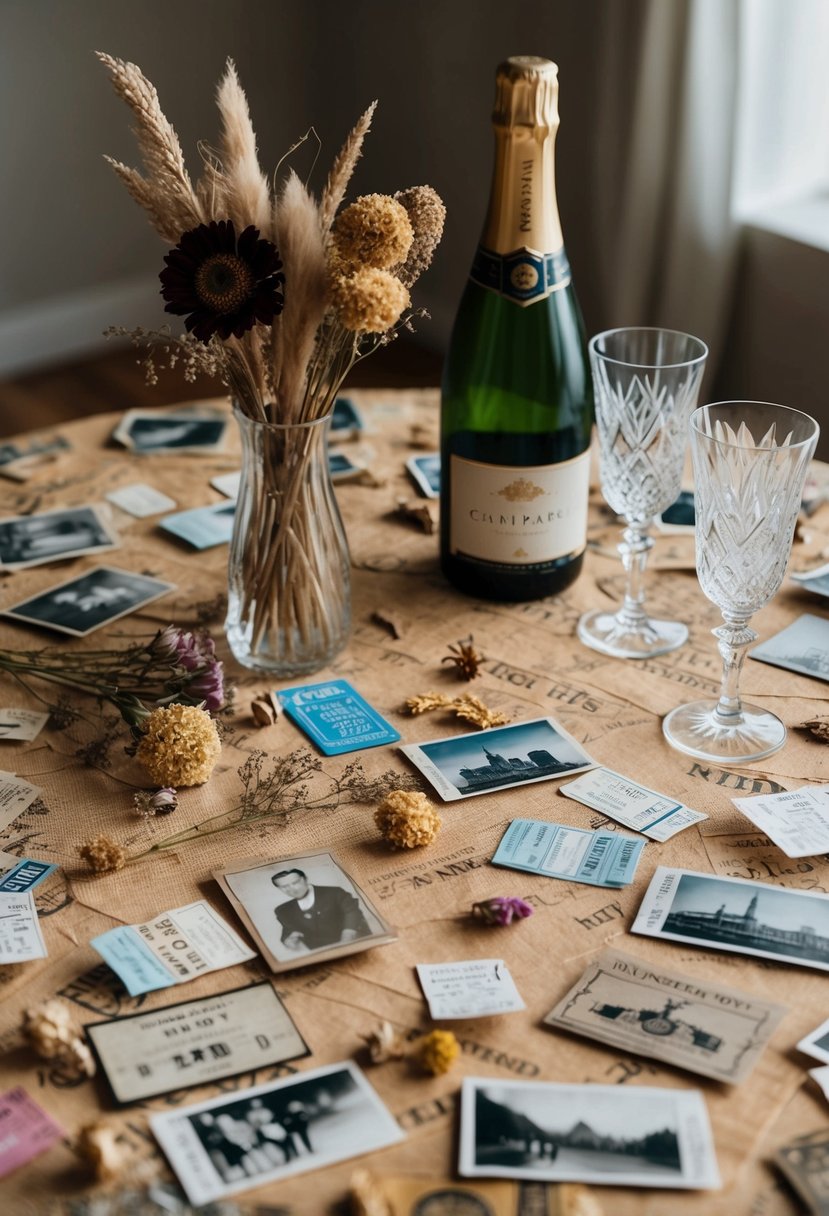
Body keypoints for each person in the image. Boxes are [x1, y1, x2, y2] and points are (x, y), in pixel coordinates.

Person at [272, 868, 370, 952]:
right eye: (284, 886)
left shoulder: (334, 892)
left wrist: (347, 938)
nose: (292, 889)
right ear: (279, 888)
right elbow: (288, 929)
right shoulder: (282, 910)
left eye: (295, 882)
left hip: (356, 944)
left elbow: (352, 912)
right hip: (321, 952)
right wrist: (288, 940)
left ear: (305, 879)